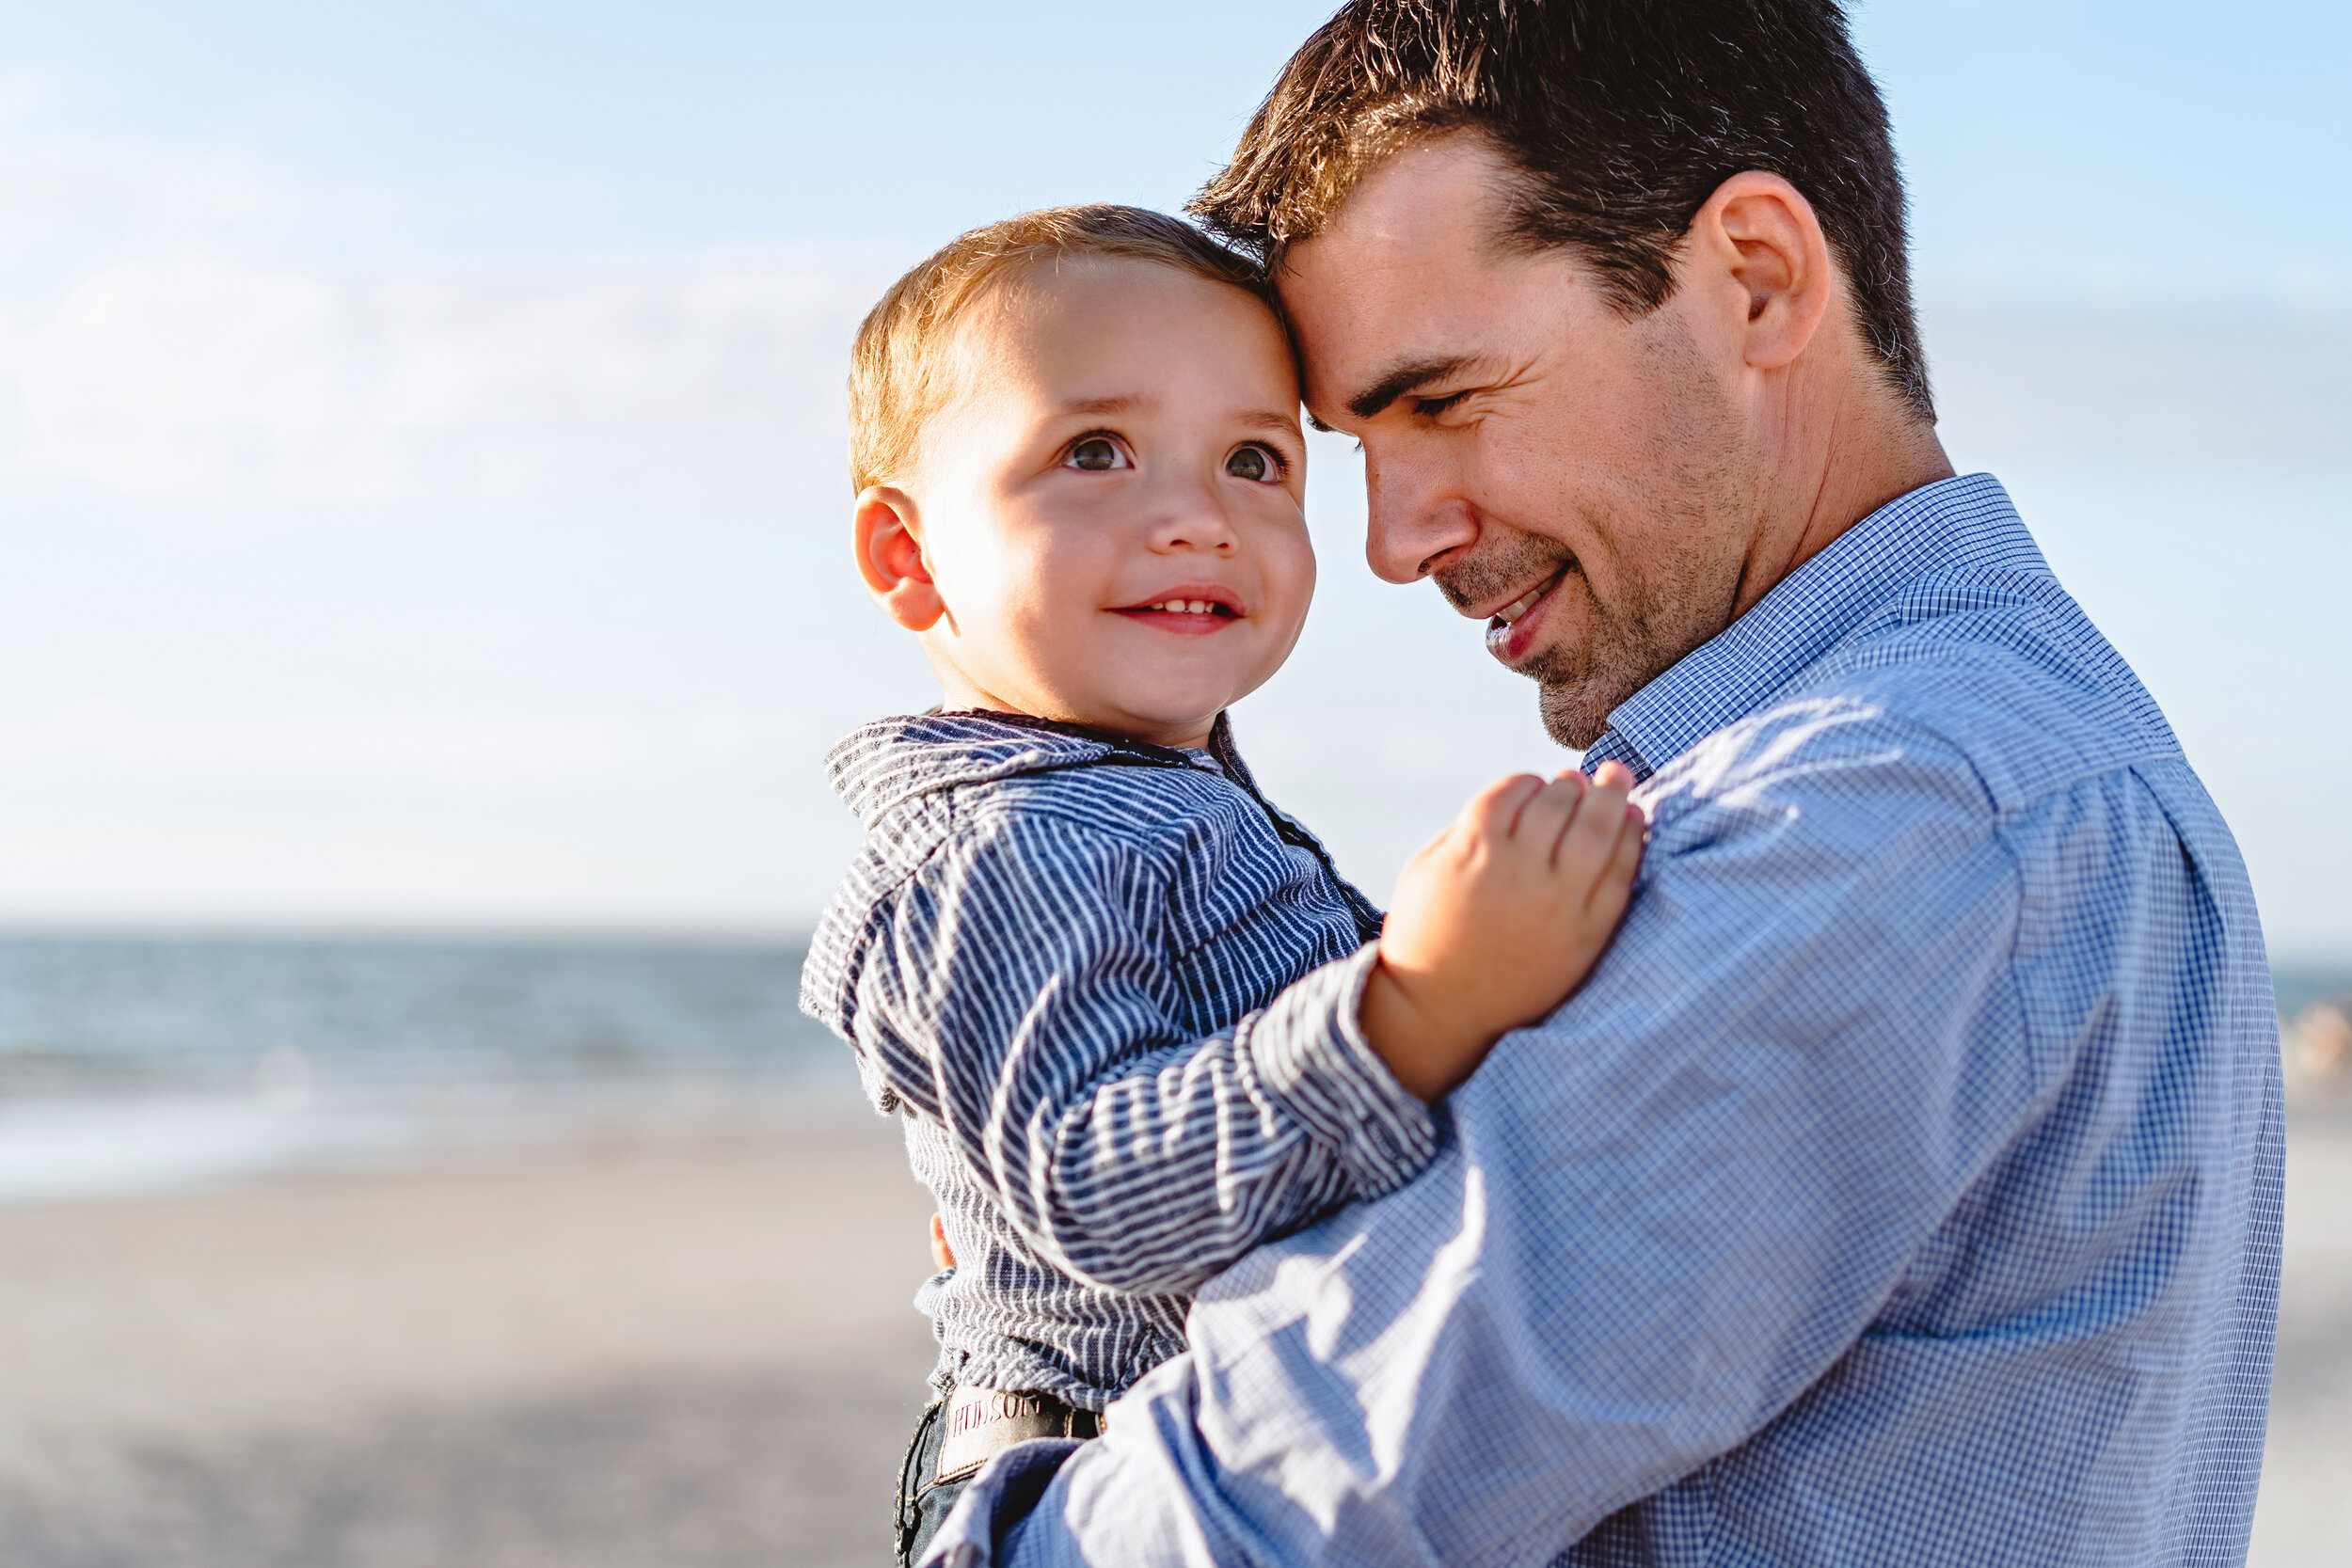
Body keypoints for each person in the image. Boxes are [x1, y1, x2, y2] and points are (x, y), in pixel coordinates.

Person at [923, 3, 2284, 1564]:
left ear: (1755, 281)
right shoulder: (2005, 760)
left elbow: (1273, 1513)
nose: (1393, 539)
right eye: (1351, 442)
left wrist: (985, 1485)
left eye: (1440, 402)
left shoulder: (1885, 811)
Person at [796, 204, 1646, 1568]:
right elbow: (1103, 1193)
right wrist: (1420, 999)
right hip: (1091, 1490)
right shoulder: (992, 850)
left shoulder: (1159, 802)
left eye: (1256, 460)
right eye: (1095, 452)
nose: (1195, 516)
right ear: (908, 557)